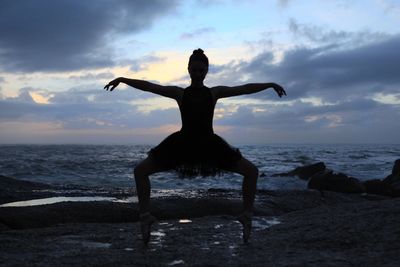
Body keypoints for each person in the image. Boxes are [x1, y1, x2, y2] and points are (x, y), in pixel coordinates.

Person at [104, 49, 286, 245]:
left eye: (202, 70)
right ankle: (145, 217)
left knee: (251, 172)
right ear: (188, 70)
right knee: (140, 171)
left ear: (207, 71)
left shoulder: (214, 92)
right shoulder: (179, 93)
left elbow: (243, 88)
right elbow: (150, 87)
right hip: (182, 144)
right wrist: (122, 79)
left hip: (209, 145)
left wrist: (269, 84)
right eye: (195, 70)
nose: (198, 74)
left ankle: (246, 216)